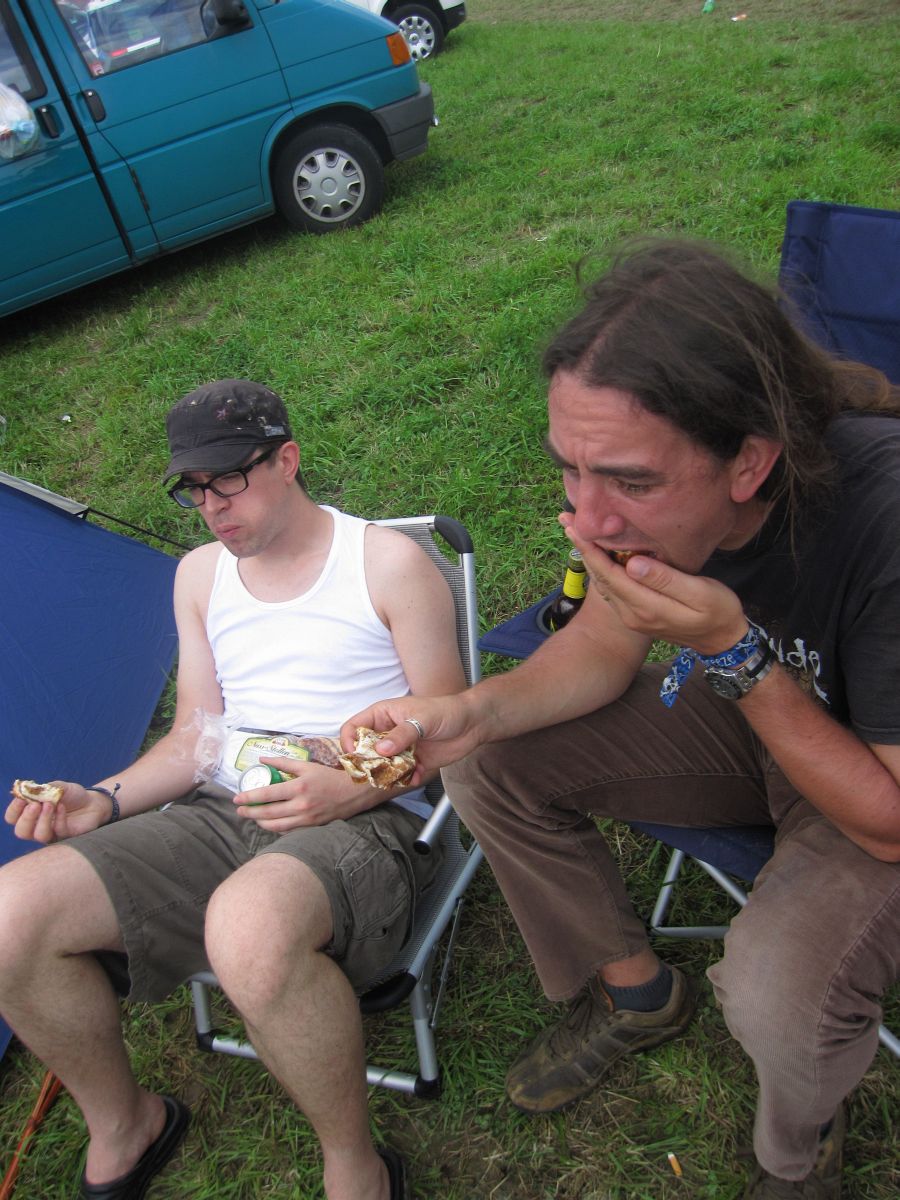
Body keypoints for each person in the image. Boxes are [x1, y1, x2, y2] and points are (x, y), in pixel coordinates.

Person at [342, 241, 900, 1199]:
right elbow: (604, 645)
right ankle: (636, 990)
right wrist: (467, 711)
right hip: (762, 708)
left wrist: (733, 652)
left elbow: (888, 822)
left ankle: (796, 1161)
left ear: (751, 460)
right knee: (489, 761)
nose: (590, 520)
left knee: (775, 993)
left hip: (869, 777)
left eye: (631, 482)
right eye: (571, 468)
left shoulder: (883, 518)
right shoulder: (639, 507)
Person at [0, 379, 466, 1200]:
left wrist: (348, 789)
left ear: (286, 460)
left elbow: (449, 728)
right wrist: (105, 800)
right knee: (10, 915)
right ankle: (126, 1123)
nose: (212, 507)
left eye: (229, 480)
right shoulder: (199, 576)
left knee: (247, 930)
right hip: (225, 807)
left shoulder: (386, 565)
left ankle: (353, 1164)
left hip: (368, 818)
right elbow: (196, 736)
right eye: (193, 488)